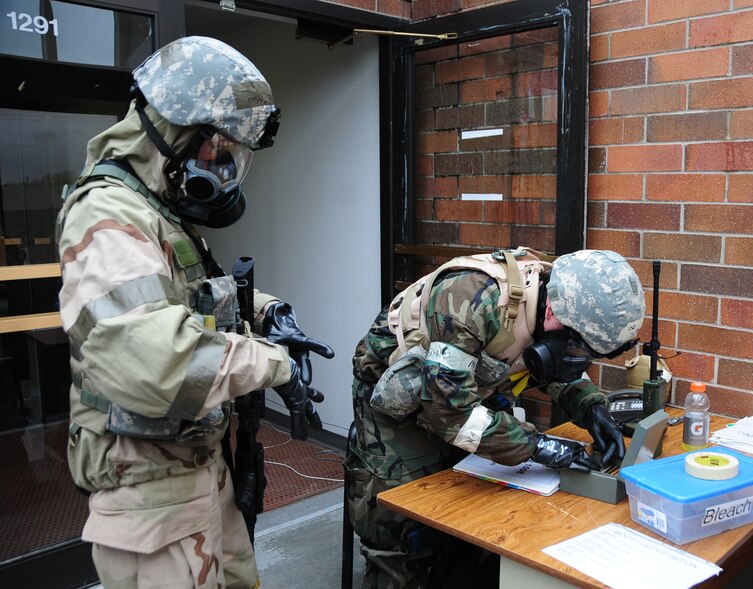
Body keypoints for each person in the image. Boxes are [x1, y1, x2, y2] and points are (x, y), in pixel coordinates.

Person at [56, 36, 332, 588]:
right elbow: (157, 359)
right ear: (181, 137)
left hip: (198, 482)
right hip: (152, 506)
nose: (226, 170)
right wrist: (272, 364)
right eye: (221, 153)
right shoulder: (109, 213)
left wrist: (269, 313)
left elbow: (204, 303)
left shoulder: (157, 213)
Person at [346, 248, 645, 588]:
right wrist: (537, 445)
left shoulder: (561, 308)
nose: (578, 359)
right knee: (401, 531)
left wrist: (593, 408)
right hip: (398, 400)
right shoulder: (470, 298)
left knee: (470, 516)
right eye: (577, 348)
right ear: (551, 310)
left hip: (462, 392)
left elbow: (560, 366)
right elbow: (450, 414)